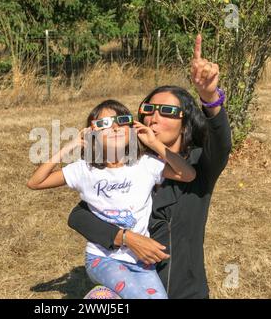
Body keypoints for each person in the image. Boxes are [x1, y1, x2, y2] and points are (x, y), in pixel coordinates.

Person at [68, 34, 232, 299]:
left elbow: (222, 144)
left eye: (167, 111)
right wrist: (125, 237)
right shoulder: (130, 163)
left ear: (185, 122)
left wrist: (210, 98)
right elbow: (79, 215)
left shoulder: (199, 166)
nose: (154, 117)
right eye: (149, 109)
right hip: (130, 285)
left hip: (183, 290)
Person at [27, 99, 196, 299]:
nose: (114, 127)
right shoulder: (84, 169)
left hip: (141, 259)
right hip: (103, 259)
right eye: (104, 124)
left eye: (121, 121)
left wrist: (154, 143)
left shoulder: (146, 165)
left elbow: (187, 174)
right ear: (92, 135)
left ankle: (104, 296)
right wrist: (69, 146)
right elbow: (36, 182)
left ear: (132, 129)